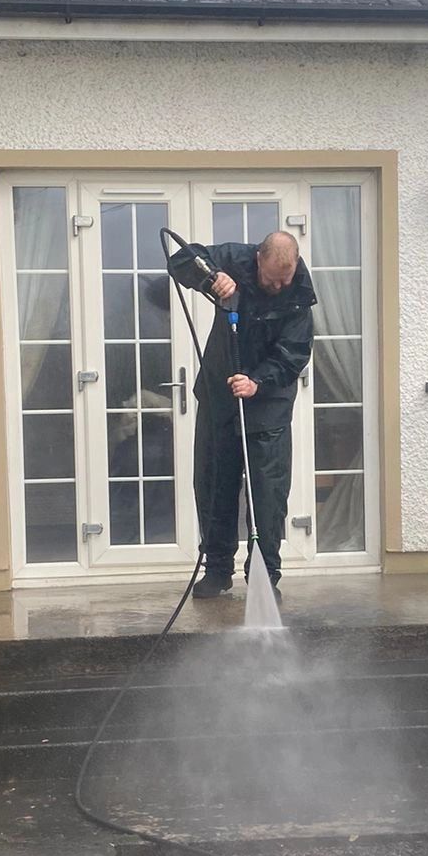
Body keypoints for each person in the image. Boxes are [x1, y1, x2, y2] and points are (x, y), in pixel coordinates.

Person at [166, 230, 316, 598]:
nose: (278, 286)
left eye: (285, 279)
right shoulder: (235, 258)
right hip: (219, 397)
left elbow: (293, 354)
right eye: (272, 278)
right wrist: (211, 277)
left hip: (268, 407)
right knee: (214, 485)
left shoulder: (298, 295)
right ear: (258, 259)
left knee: (267, 496)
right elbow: (181, 259)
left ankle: (265, 578)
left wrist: (257, 382)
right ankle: (217, 570)